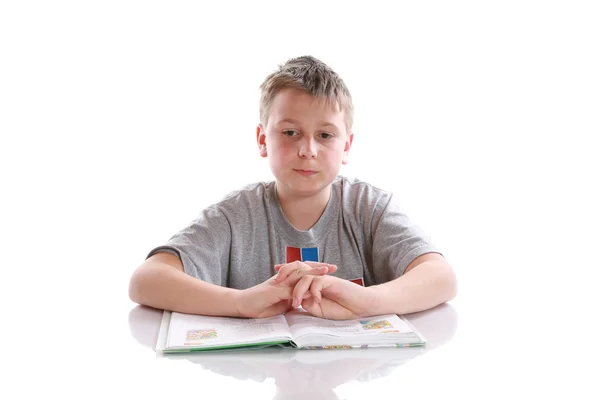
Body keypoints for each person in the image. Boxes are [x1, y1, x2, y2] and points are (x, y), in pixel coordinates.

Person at [128, 55, 457, 320]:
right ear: (262, 140)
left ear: (346, 147)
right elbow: (146, 280)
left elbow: (441, 277)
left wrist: (367, 301)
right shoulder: (233, 216)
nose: (308, 150)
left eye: (325, 135)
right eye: (290, 132)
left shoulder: (368, 208)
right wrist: (243, 302)